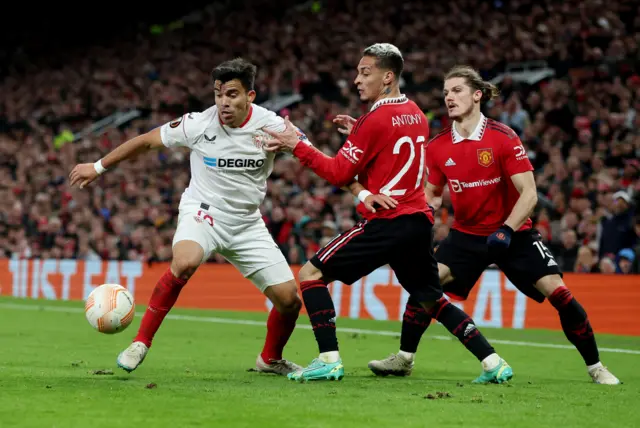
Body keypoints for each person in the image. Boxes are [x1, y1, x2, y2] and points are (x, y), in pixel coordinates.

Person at [262, 43, 512, 383]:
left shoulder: (374, 119)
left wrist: (298, 146)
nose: (357, 80)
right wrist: (360, 136)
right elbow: (389, 155)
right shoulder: (415, 112)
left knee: (310, 276)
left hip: (389, 221)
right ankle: (492, 361)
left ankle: (329, 358)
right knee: (431, 299)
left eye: (366, 73)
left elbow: (338, 173)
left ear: (388, 76)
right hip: (419, 221)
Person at [364, 65, 621, 385]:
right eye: (445, 92)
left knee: (559, 293)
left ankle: (596, 366)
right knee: (425, 286)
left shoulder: (503, 137)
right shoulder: (438, 146)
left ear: (477, 95)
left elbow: (529, 194)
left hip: (514, 233)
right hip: (465, 236)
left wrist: (508, 229)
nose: (449, 97)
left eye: (456, 90)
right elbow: (433, 195)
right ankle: (404, 359)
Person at [69, 58, 304, 376]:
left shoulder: (274, 126)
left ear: (250, 96)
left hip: (247, 223)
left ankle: (270, 359)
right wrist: (97, 167)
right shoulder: (198, 124)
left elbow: (316, 158)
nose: (223, 102)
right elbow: (146, 141)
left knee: (290, 301)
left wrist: (358, 189)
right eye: (219, 94)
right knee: (185, 261)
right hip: (203, 212)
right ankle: (140, 342)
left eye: (232, 94)